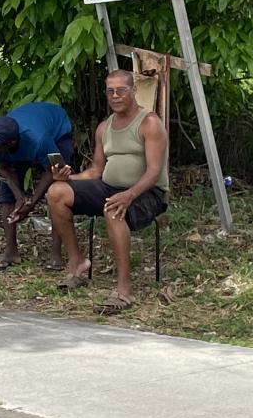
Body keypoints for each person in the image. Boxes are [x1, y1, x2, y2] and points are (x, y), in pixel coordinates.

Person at [45, 70, 168, 313]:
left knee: (114, 207)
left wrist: (129, 195)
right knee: (56, 192)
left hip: (147, 193)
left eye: (121, 90)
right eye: (110, 91)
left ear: (133, 91)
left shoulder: (149, 123)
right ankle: (78, 263)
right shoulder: (104, 127)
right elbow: (96, 170)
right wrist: (68, 178)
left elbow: (154, 172)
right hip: (109, 188)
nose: (115, 96)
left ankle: (124, 290)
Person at [0, 102, 73, 271]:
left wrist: (32, 202)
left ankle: (56, 254)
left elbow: (55, 170)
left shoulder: (39, 140)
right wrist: (19, 196)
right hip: (23, 140)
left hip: (57, 129)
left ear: (11, 142)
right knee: (6, 197)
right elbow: (4, 168)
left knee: (58, 191)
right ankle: (11, 252)